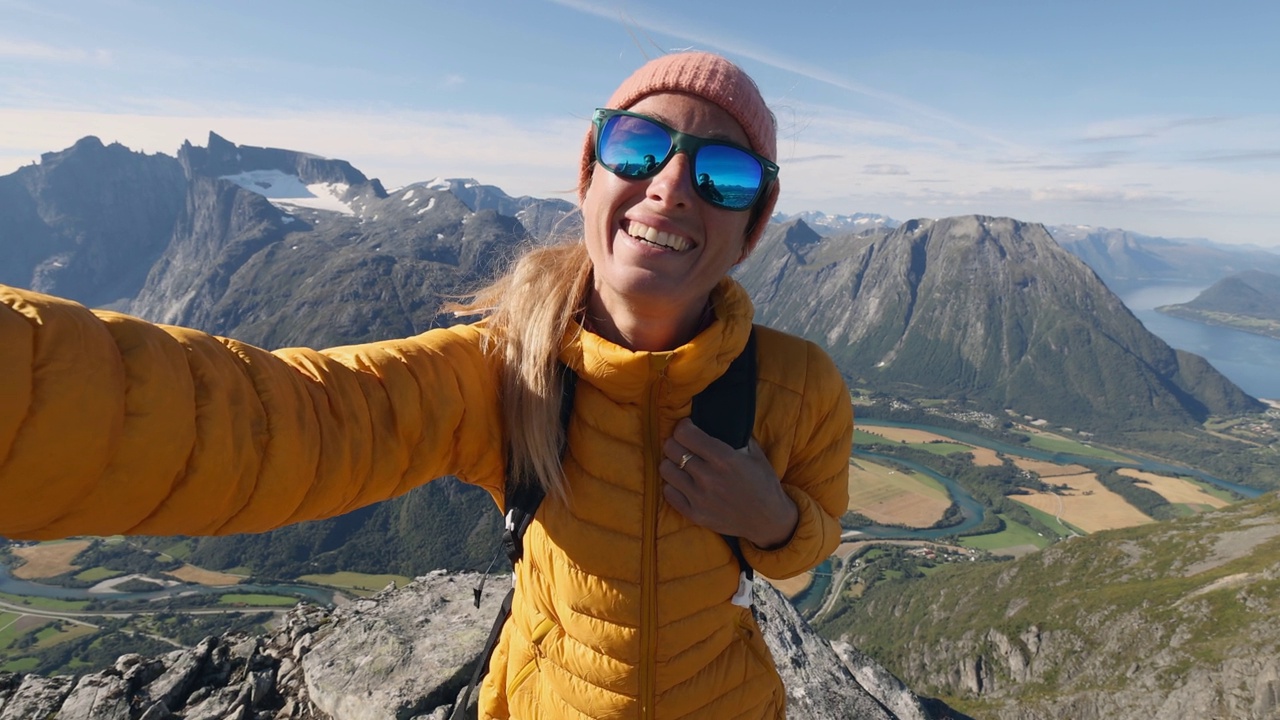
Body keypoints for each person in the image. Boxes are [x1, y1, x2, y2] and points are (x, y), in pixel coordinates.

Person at [0, 52, 852, 719]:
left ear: (750, 229)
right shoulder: (508, 370)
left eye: (724, 175)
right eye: (639, 145)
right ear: (591, 174)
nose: (670, 185)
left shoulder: (797, 386)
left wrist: (772, 518)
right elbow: (281, 424)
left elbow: (814, 537)